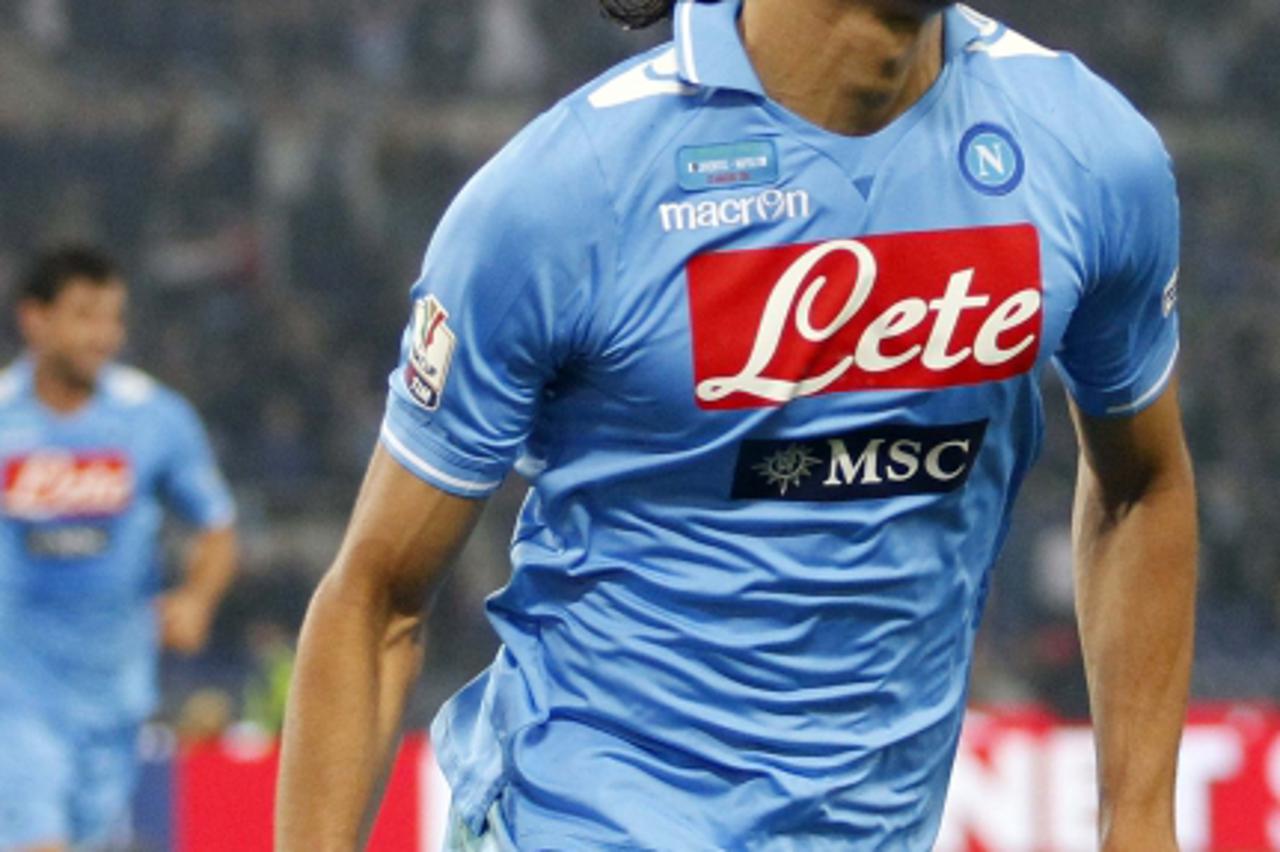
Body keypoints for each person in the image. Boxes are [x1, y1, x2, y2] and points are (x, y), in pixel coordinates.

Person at [277, 1, 1197, 848]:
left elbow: (1141, 485)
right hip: (585, 818)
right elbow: (374, 598)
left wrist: (1142, 821)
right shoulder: (563, 197)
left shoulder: (1086, 152)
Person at [0, 246, 237, 851]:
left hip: (117, 696)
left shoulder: (155, 418)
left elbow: (217, 525)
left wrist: (197, 600)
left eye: (113, 318)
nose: (104, 336)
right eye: (84, 316)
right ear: (35, 319)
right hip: (17, 694)